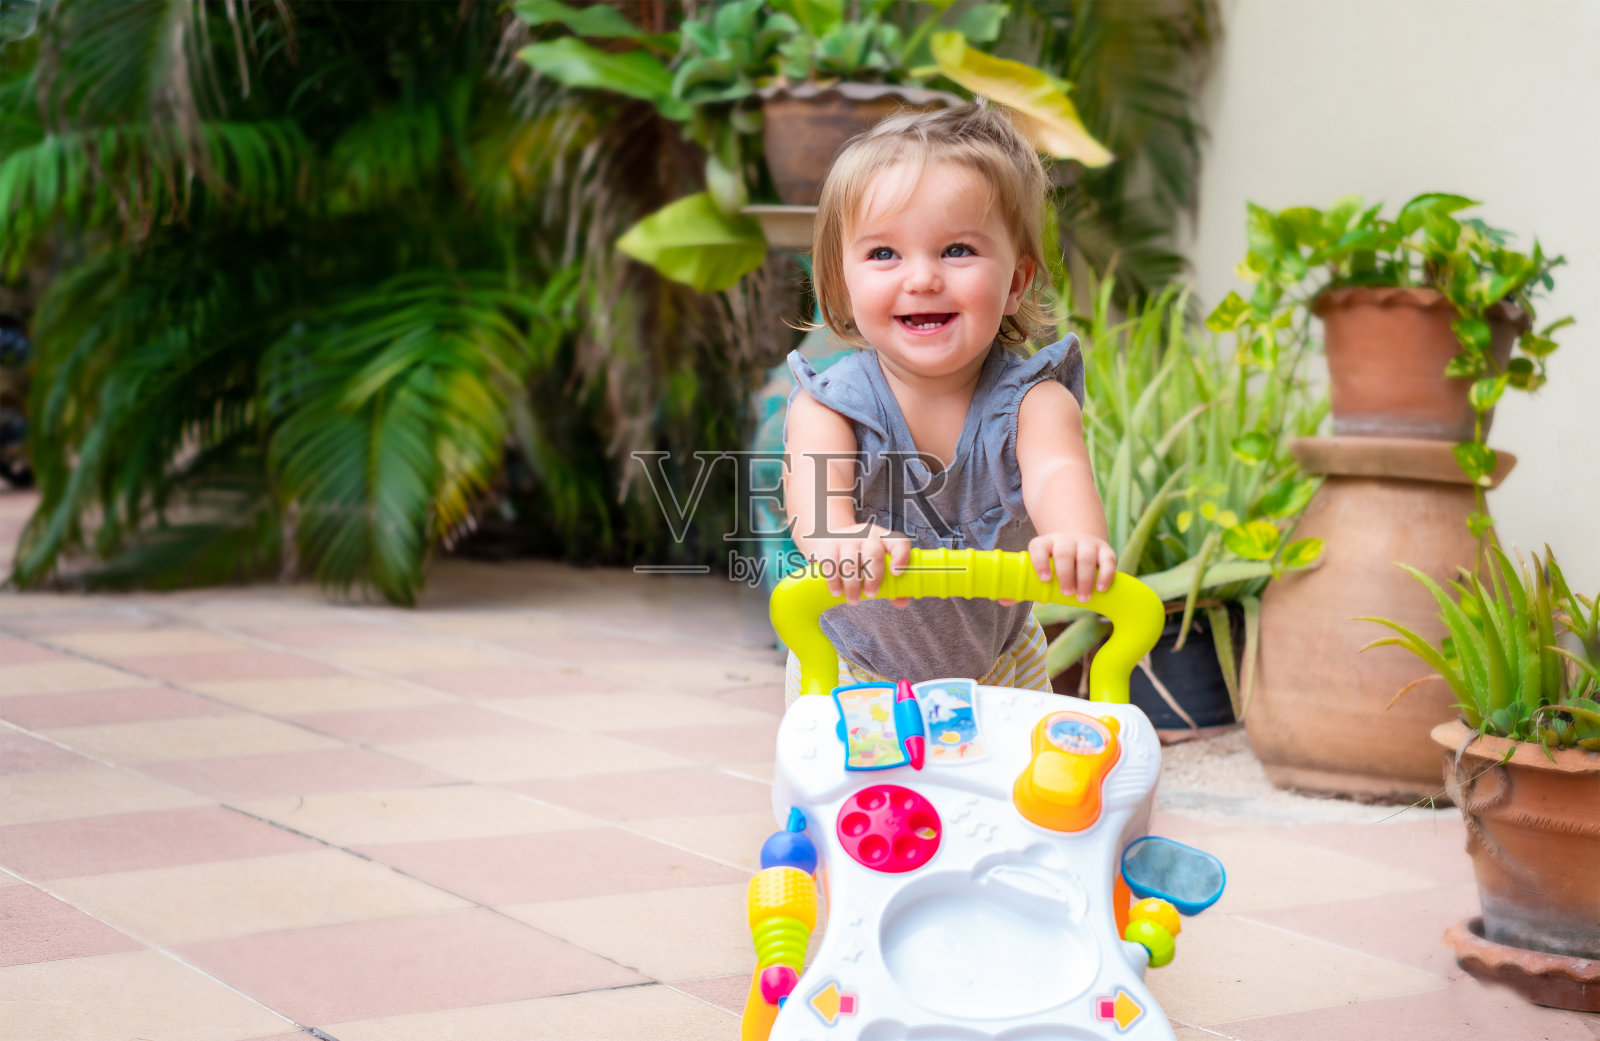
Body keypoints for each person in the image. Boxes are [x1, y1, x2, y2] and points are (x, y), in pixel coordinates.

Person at [781, 101, 1116, 704]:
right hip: (855, 668)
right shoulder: (830, 409)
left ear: (1015, 282)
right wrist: (840, 540)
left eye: (957, 250)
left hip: (1003, 664)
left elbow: (1057, 472)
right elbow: (817, 507)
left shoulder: (1033, 403)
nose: (923, 278)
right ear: (842, 283)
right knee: (854, 793)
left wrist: (1073, 537)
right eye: (884, 254)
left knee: (1017, 792)